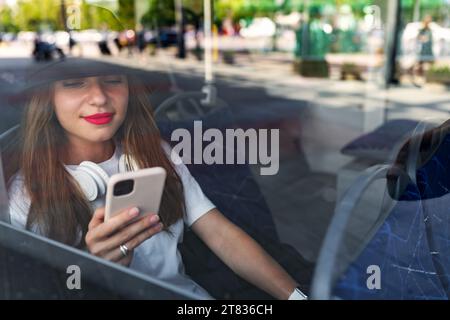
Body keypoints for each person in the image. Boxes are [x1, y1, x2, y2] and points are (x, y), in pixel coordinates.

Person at [6, 59, 307, 300]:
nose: (99, 97)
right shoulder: (26, 195)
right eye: (74, 83)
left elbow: (220, 233)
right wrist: (92, 268)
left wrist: (295, 297)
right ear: (47, 99)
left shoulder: (155, 153)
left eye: (113, 80)